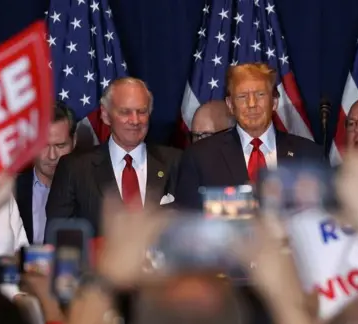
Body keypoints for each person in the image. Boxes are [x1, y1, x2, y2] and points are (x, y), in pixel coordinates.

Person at [175, 63, 325, 210]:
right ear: (230, 105)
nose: (252, 104)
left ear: (274, 102)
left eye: (260, 95)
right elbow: (188, 224)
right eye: (242, 96)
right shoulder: (200, 157)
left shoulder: (309, 155)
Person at [45, 77, 182, 235]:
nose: (135, 120)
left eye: (142, 112)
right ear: (105, 114)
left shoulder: (176, 162)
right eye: (125, 112)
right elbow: (59, 237)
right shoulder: (75, 169)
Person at [16, 102, 76, 246]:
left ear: (74, 142)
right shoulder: (12, 191)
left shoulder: (89, 191)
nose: (52, 155)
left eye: (60, 146)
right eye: (44, 146)